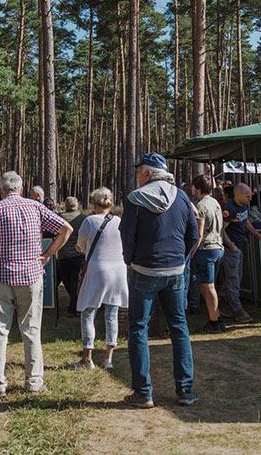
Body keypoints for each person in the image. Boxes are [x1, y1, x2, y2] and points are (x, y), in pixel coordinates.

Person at [0, 171, 72, 397]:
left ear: (0, 190)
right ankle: (34, 382)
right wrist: (48, 254)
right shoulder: (35, 207)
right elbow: (66, 229)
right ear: (21, 188)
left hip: (0, 275)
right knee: (31, 329)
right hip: (30, 275)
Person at [119, 153, 199, 408]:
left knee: (138, 329)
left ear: (149, 173)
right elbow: (193, 234)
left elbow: (127, 235)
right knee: (179, 327)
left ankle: (143, 393)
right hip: (174, 271)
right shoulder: (182, 196)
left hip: (144, 270)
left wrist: (130, 260)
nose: (136, 176)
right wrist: (181, 259)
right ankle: (185, 390)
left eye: (139, 171)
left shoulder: (135, 199)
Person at [70, 188, 128, 371]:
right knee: (112, 314)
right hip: (118, 270)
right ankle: (108, 358)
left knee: (88, 312)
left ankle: (87, 358)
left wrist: (83, 249)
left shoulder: (89, 221)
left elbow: (80, 245)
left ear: (94, 204)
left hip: (97, 270)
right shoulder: (119, 221)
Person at [218, 183, 261, 324]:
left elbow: (246, 219)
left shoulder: (243, 206)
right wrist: (231, 246)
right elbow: (221, 230)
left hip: (239, 247)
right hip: (232, 250)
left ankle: (220, 300)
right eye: (247, 196)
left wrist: (255, 233)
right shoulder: (229, 209)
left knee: (236, 278)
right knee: (234, 281)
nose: (250, 199)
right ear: (238, 195)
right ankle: (238, 311)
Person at [191, 175, 224, 333]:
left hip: (206, 249)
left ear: (197, 188)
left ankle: (214, 322)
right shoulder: (215, 202)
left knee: (208, 286)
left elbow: (199, 233)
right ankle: (215, 316)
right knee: (205, 284)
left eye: (193, 186)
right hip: (217, 247)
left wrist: (192, 251)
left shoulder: (201, 205)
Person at [56, 196, 86, 318]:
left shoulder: (59, 218)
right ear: (77, 205)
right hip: (79, 255)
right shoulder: (84, 219)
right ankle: (74, 307)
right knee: (75, 283)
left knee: (67, 281)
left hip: (63, 256)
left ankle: (73, 306)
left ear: (66, 206)